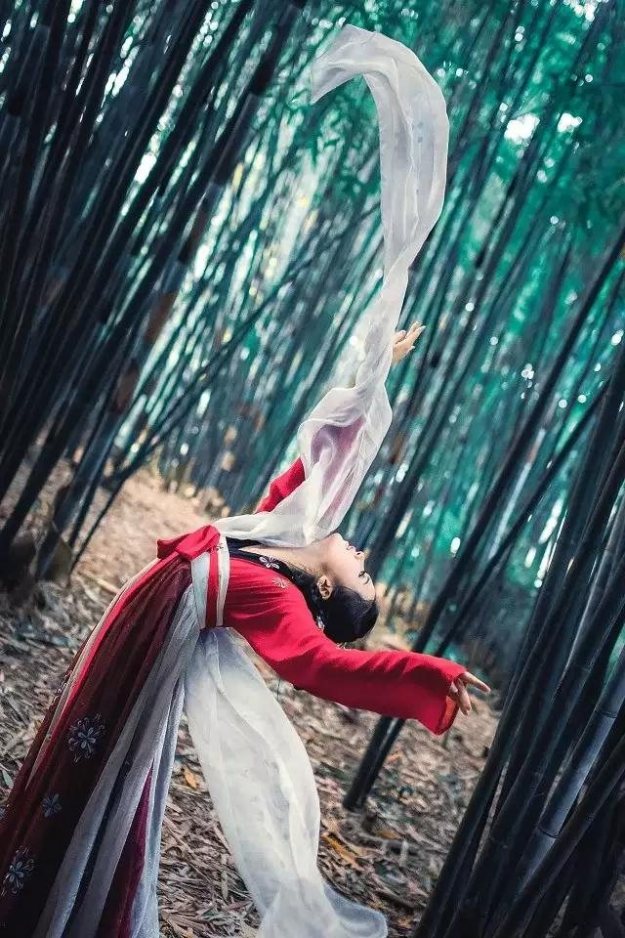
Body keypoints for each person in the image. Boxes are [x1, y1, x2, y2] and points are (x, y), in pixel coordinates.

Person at [0, 24, 490, 938]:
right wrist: (369, 376)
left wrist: (423, 675)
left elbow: (323, 667)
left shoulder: (276, 599)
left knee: (101, 768)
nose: (362, 552)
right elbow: (314, 460)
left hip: (143, 641)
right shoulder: (276, 540)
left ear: (330, 590)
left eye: (363, 573)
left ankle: (52, 902)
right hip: (140, 624)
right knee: (88, 752)